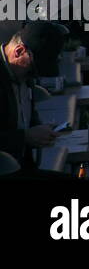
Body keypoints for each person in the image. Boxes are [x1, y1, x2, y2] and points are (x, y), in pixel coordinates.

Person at [1, 22, 67, 171]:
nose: (36, 76)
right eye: (34, 68)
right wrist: (25, 137)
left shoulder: (21, 72)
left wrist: (39, 129)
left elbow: (25, 113)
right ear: (19, 51)